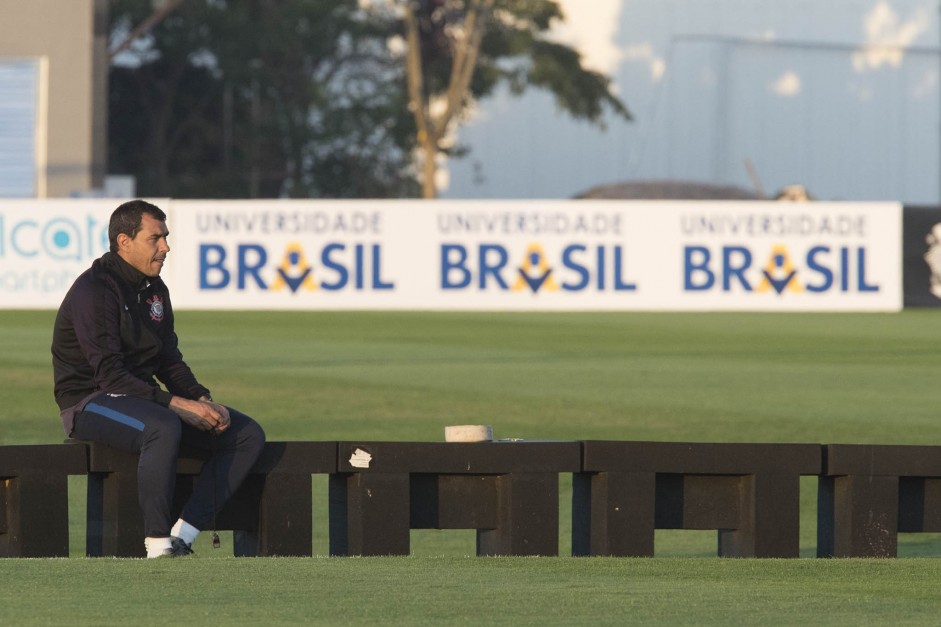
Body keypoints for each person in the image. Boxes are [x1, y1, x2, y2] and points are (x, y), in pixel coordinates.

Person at [51, 199, 266, 558]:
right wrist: (175, 404)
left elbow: (168, 360)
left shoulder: (154, 289)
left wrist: (200, 399)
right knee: (163, 425)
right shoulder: (95, 290)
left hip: (139, 397)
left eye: (165, 237)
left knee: (244, 434)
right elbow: (109, 376)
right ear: (124, 241)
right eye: (156, 238)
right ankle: (157, 545)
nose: (166, 247)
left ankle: (184, 534)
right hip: (90, 400)